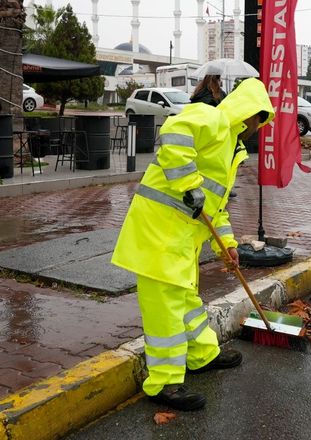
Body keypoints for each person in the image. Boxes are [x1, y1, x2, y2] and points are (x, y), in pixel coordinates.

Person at [111, 78, 274, 410]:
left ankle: (202, 354)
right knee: (166, 311)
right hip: (158, 232)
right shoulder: (210, 119)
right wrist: (189, 185)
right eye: (259, 120)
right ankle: (164, 384)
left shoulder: (232, 147)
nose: (257, 129)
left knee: (186, 302)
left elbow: (216, 208)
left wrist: (226, 246)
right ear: (248, 113)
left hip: (181, 238)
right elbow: (173, 133)